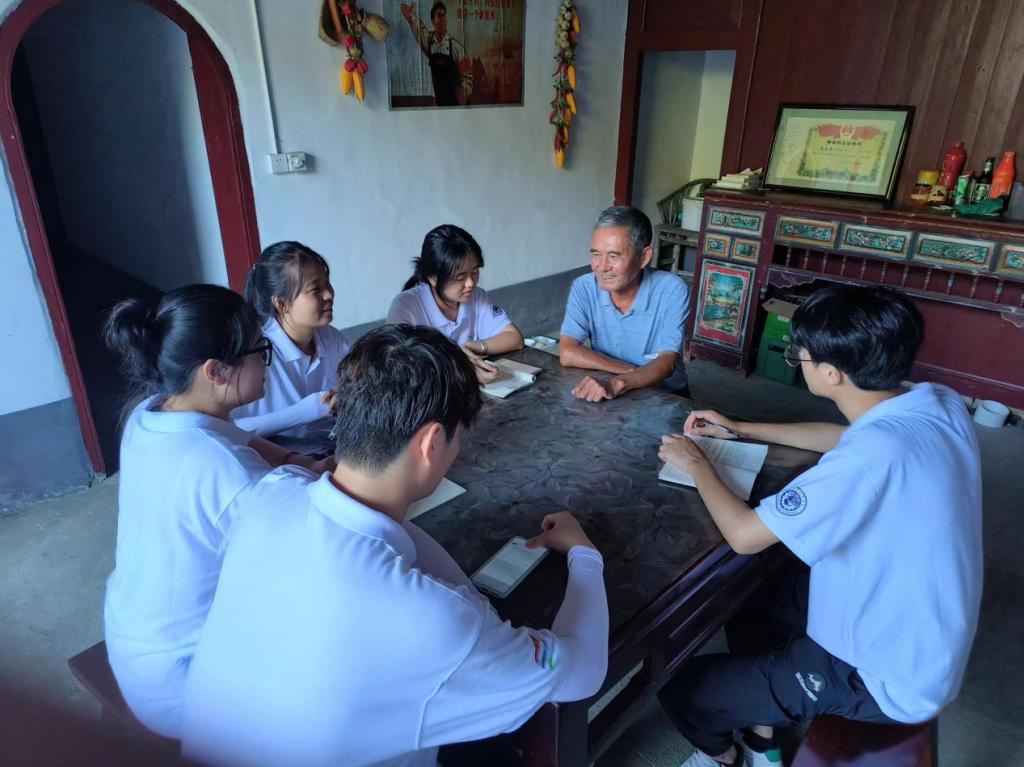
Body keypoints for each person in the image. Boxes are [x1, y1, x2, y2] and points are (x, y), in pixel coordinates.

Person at [181, 324, 609, 767]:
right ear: (431, 443)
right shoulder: (434, 621)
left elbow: (382, 533)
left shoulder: (273, 492)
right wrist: (584, 556)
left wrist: (466, 596)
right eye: (458, 437)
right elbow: (581, 671)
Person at [656, 285, 982, 767]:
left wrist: (697, 463)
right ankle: (764, 726)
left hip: (882, 674)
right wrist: (740, 428)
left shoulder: (867, 461)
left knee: (684, 689)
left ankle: (728, 758)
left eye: (800, 355)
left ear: (831, 374)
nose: (798, 361)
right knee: (757, 593)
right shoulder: (939, 403)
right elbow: (847, 437)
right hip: (917, 628)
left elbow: (744, 536)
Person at [103, 285, 328, 739]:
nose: (267, 361)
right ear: (215, 371)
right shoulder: (228, 474)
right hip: (187, 688)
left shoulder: (150, 414)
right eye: (260, 351)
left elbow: (237, 438)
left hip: (135, 644)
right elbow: (315, 549)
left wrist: (299, 461)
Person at [560, 206, 690, 402]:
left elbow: (667, 360)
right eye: (596, 254)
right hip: (609, 384)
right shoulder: (584, 287)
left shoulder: (671, 290)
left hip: (665, 394)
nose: (602, 267)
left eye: (614, 256)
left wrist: (620, 383)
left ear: (644, 257)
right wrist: (629, 373)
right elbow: (568, 352)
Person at [232, 242, 351, 437]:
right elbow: (226, 429)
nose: (329, 294)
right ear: (281, 303)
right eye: (315, 289)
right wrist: (299, 414)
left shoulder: (332, 339)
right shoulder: (256, 352)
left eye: (327, 283)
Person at [388, 224, 524, 384]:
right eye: (460, 277)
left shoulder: (476, 296)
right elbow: (398, 365)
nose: (470, 283)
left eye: (475, 272)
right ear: (433, 278)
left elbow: (515, 338)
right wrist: (460, 365)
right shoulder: (406, 306)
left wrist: (472, 347)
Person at [400, 1, 473, 106]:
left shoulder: (457, 48)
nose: (443, 19)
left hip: (455, 104)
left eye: (444, 16)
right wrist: (411, 17)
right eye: (439, 15)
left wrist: (463, 93)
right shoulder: (429, 42)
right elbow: (420, 30)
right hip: (439, 102)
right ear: (433, 21)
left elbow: (467, 75)